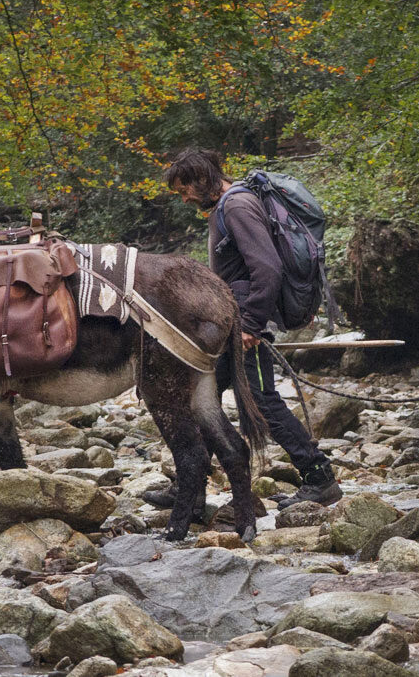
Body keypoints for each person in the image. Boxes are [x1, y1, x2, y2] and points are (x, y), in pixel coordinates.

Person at [144, 148, 342, 510]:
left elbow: (267, 268)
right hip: (229, 328)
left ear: (203, 177)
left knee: (262, 402)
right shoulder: (227, 207)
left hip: (245, 328)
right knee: (196, 400)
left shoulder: (236, 207)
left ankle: (320, 478)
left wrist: (250, 325)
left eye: (185, 188)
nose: (184, 198)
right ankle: (191, 486)